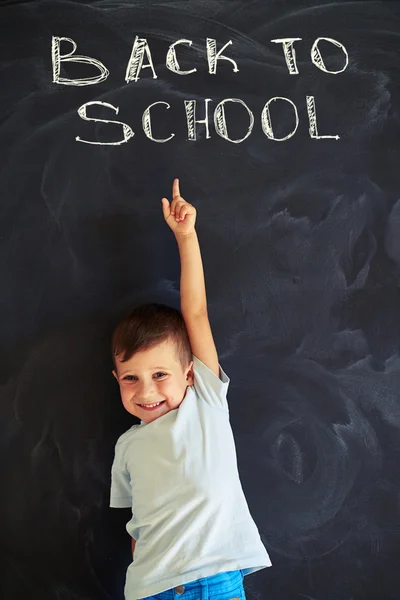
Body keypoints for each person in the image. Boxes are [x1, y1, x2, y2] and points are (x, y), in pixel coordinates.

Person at [109, 179, 272, 600]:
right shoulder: (127, 447)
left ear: (188, 374)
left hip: (217, 581)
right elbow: (138, 522)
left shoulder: (207, 402)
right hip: (152, 588)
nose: (146, 391)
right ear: (117, 380)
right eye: (131, 378)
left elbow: (195, 312)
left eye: (160, 375)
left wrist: (186, 236)